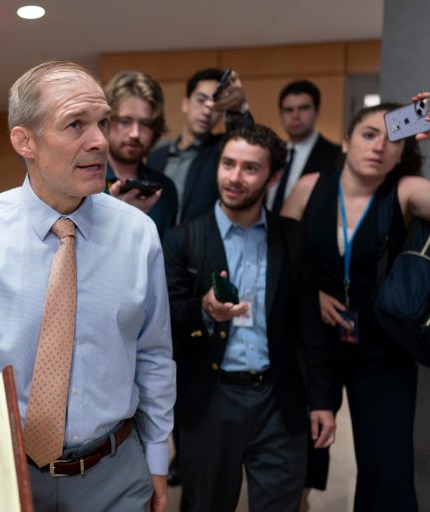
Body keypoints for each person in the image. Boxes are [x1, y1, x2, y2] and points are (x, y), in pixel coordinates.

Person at [0, 60, 176, 512]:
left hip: (115, 472)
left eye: (102, 122)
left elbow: (153, 355)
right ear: (25, 141)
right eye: (75, 125)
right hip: (0, 475)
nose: (99, 141)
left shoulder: (138, 235)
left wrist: (157, 458)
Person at [164, 124, 336, 512]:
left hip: (279, 399)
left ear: (274, 177)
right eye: (228, 164)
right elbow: (168, 318)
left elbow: (309, 325)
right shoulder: (182, 240)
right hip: (210, 400)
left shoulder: (291, 238)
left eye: (250, 169)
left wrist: (323, 401)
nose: (234, 178)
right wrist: (203, 310)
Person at [282, 101, 430, 511]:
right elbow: (278, 258)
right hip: (314, 347)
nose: (379, 146)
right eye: (369, 134)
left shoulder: (405, 191)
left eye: (393, 138)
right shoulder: (311, 187)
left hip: (382, 351)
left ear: (404, 151)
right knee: (297, 464)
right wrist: (309, 295)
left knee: (388, 472)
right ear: (346, 141)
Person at [147, 67, 252, 225]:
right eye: (201, 100)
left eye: (216, 104)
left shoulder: (221, 151)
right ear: (185, 104)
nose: (208, 110)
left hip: (199, 244)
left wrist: (237, 110)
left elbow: (248, 143)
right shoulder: (156, 156)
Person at [103, 70, 177, 238]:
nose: (135, 133)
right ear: (106, 121)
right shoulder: (83, 182)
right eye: (125, 121)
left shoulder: (165, 189)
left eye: (145, 124)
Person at [266, 80, 341, 214]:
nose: (295, 116)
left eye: (303, 108)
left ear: (316, 111)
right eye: (288, 110)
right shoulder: (270, 153)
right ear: (281, 114)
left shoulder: (335, 155)